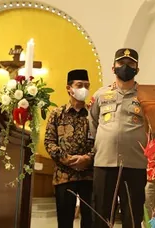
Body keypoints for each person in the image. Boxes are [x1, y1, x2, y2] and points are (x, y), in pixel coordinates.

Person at [90, 48, 148, 228]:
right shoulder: (100, 95)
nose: (125, 67)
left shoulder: (146, 95)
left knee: (132, 215)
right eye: (121, 63)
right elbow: (93, 123)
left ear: (137, 69)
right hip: (104, 163)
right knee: (101, 215)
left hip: (135, 164)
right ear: (113, 68)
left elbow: (153, 127)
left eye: (130, 64)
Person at [44, 69, 94, 228]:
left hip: (89, 175)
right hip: (64, 175)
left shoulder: (93, 114)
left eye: (87, 85)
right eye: (80, 85)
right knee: (65, 221)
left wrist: (88, 158)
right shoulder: (57, 114)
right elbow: (49, 142)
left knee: (90, 221)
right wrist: (68, 160)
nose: (84, 89)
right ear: (69, 88)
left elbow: (101, 141)